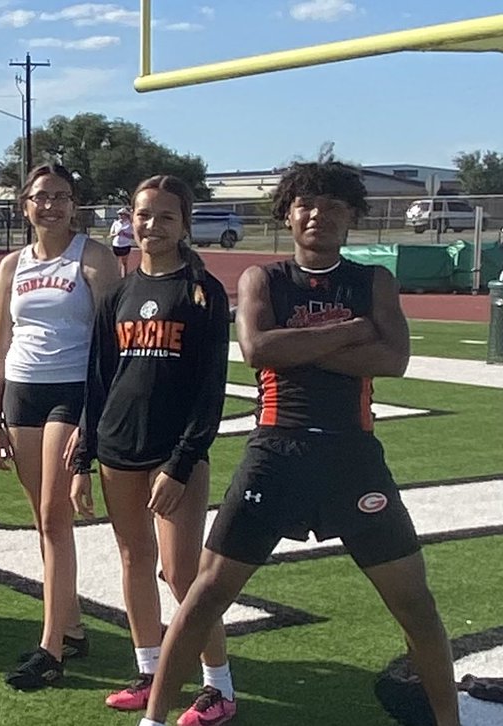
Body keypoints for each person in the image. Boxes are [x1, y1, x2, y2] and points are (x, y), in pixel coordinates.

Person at [139, 161, 459, 726]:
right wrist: (352, 331)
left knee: (416, 604)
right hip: (276, 452)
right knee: (207, 594)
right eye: (306, 204)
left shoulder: (373, 281)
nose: (318, 215)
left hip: (353, 456)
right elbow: (259, 350)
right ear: (287, 214)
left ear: (351, 216)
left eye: (333, 206)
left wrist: (301, 346)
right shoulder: (263, 279)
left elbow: (394, 360)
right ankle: (154, 720)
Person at [70, 175, 235, 724]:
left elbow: (210, 390)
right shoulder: (117, 293)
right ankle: (149, 671)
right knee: (133, 560)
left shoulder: (202, 291)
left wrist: (182, 463)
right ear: (130, 220)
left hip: (173, 454)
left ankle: (219, 686)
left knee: (182, 574)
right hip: (118, 447)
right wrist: (83, 457)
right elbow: (98, 381)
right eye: (143, 215)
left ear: (185, 223)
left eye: (166, 216)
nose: (152, 226)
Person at [0, 164, 118, 687]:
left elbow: (112, 343)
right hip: (22, 392)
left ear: (74, 204)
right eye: (41, 197)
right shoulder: (11, 264)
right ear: (25, 206)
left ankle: (51, 648)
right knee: (44, 523)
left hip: (71, 391)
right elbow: (0, 343)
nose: (51, 206)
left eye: (61, 196)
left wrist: (93, 418)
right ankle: (73, 627)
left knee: (53, 516)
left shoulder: (94, 257)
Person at [110, 207, 135, 277]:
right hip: (116, 245)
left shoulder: (129, 224)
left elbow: (132, 236)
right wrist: (116, 233)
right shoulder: (115, 223)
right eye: (119, 214)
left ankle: (125, 276)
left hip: (125, 245)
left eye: (122, 214)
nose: (120, 216)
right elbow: (111, 234)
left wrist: (124, 234)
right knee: (116, 262)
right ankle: (117, 276)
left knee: (124, 262)